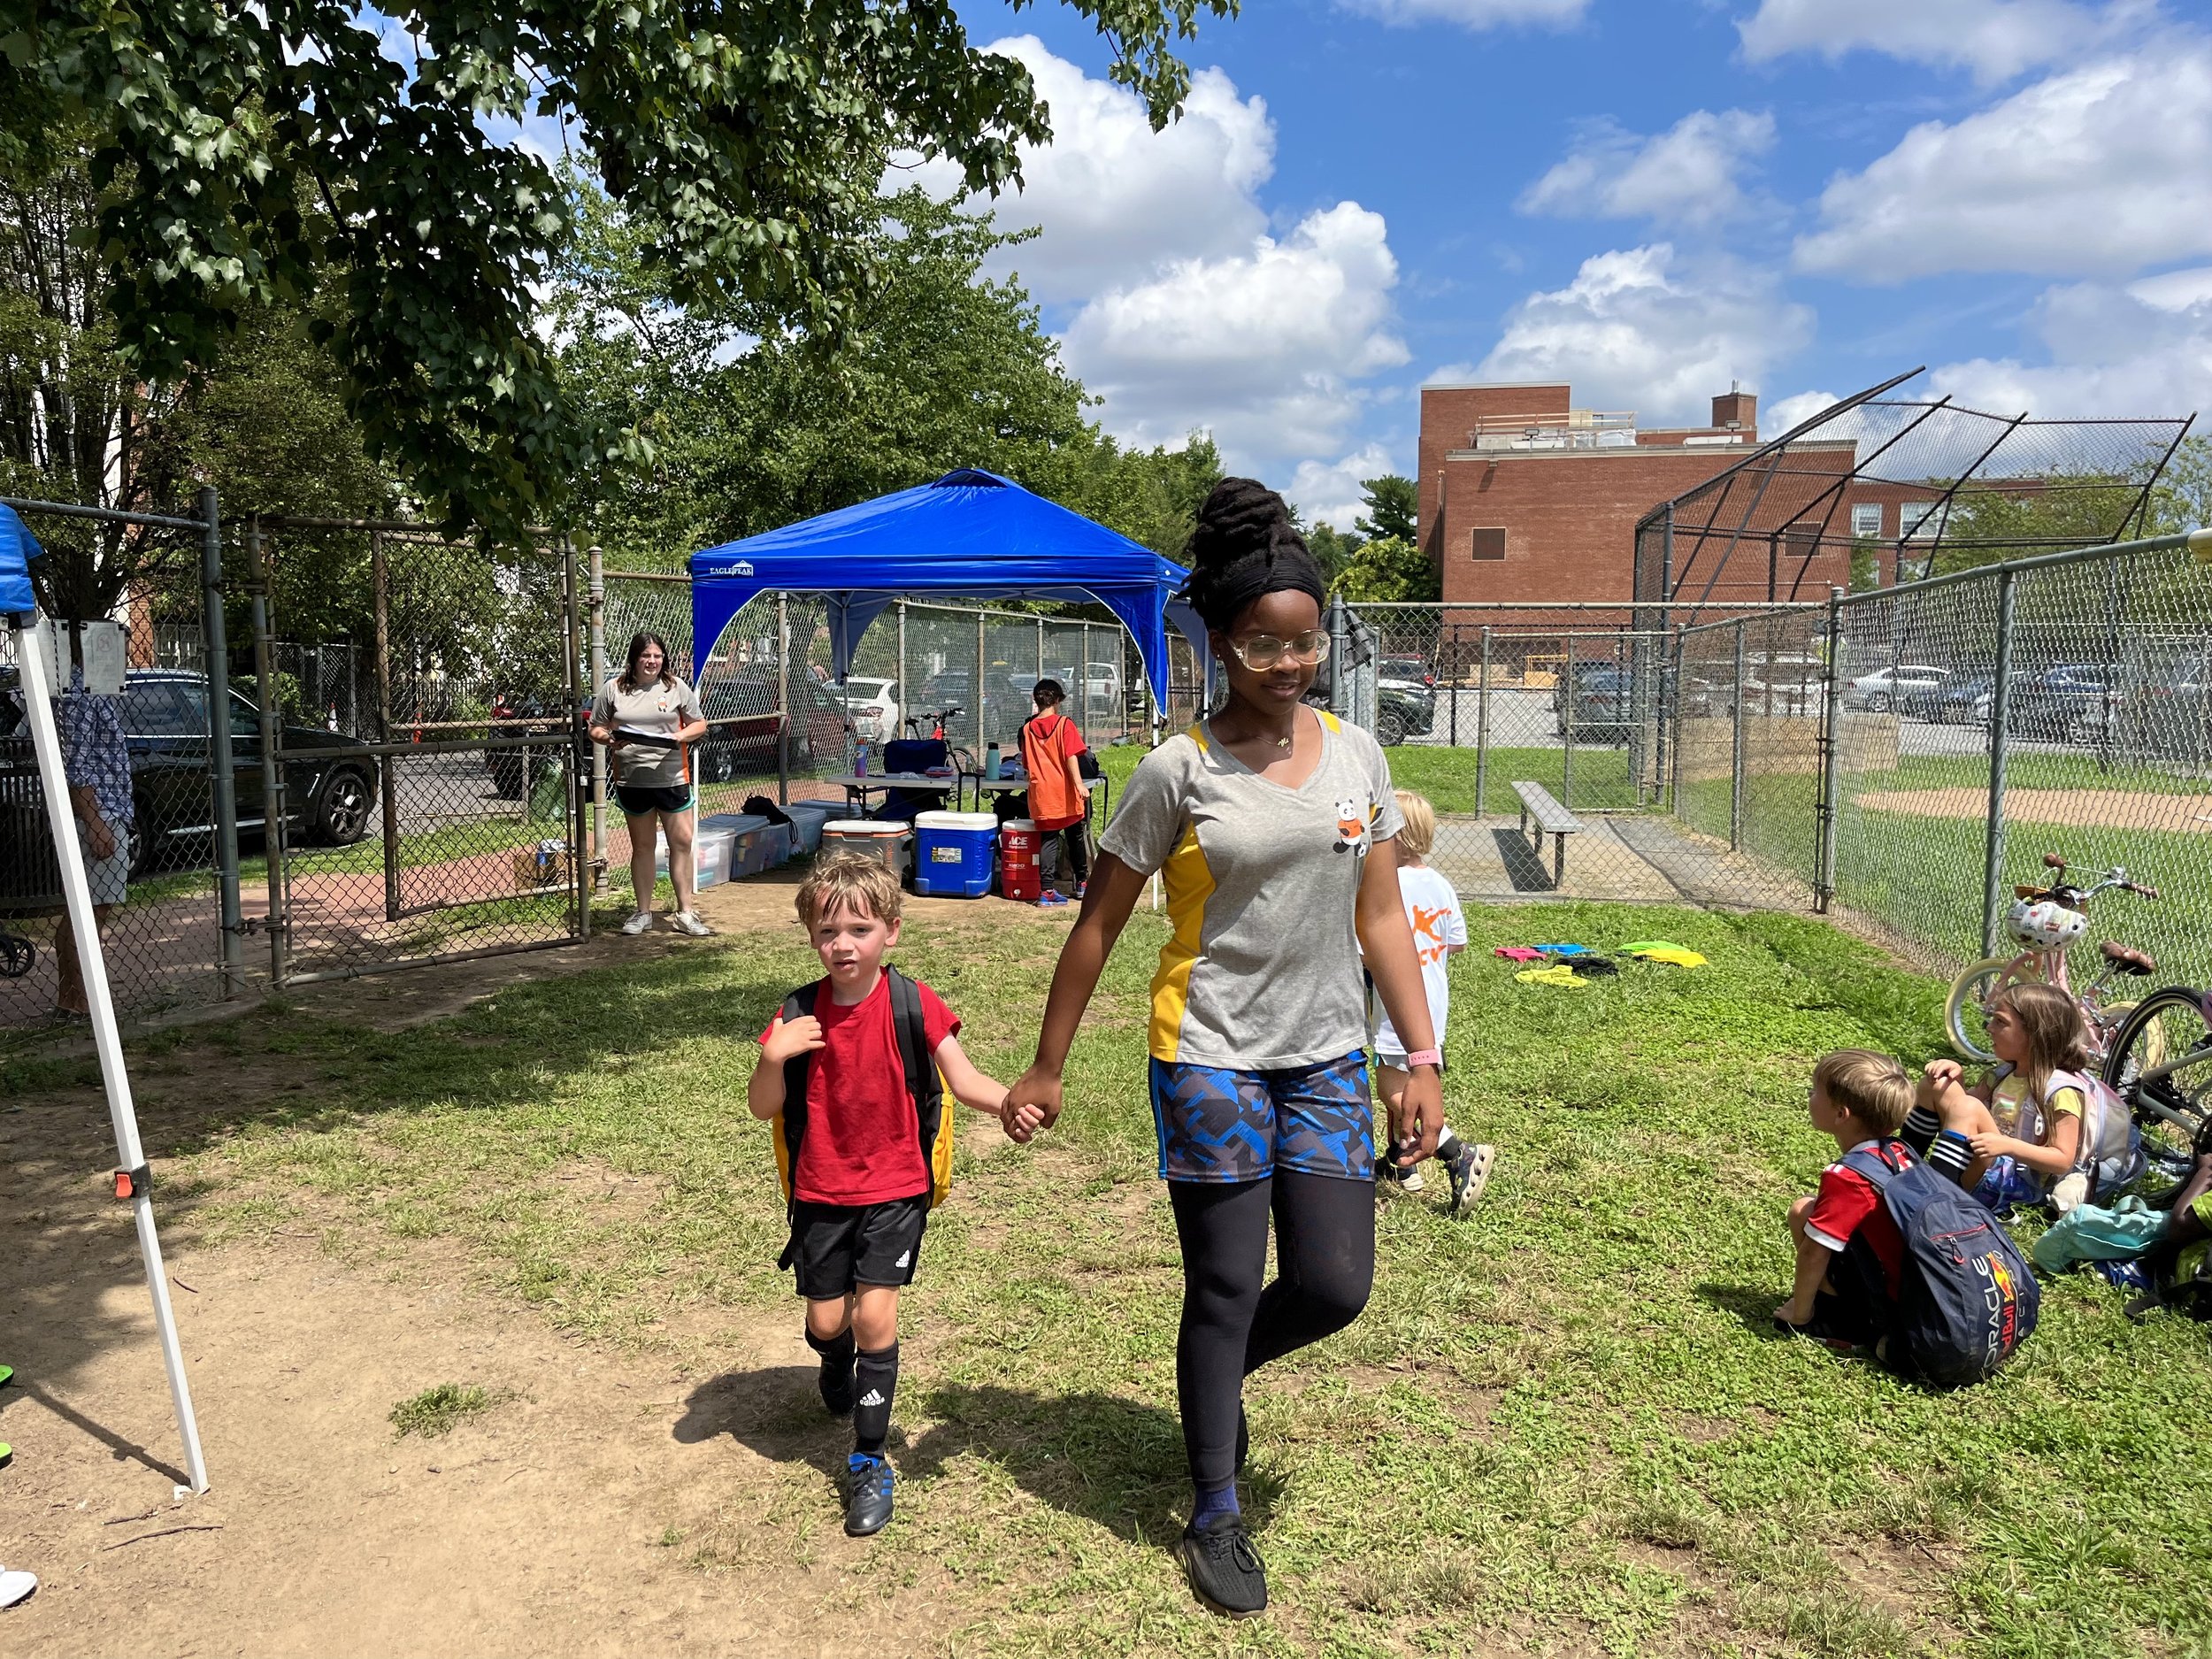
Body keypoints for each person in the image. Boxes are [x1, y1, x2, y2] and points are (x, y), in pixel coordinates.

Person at [1002, 478, 1444, 1619]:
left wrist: (1420, 1057)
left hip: (1329, 1055)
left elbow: (1382, 917)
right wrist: (1048, 1065)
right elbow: (1096, 925)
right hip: (1206, 1051)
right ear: (1220, 643)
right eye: (1262, 644)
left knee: (1337, 1285)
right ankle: (1212, 1505)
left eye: (1303, 644)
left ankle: (1218, 1379)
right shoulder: (1177, 771)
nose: (1286, 665)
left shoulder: (1359, 760)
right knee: (1226, 1281)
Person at [748, 852, 1019, 1537]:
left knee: (875, 1320)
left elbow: (963, 1078)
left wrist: (1011, 1103)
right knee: (827, 1322)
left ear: (891, 931)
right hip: (819, 1191)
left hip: (896, 1189)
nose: (844, 943)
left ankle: (869, 1460)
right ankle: (833, 1362)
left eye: (860, 928)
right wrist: (772, 1054)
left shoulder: (913, 1003)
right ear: (812, 934)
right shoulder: (796, 1012)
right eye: (829, 929)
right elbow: (762, 1107)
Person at [1369, 788, 1494, 1215]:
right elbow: (1455, 943)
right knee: (1408, 1079)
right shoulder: (1440, 884)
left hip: (1395, 1004)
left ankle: (1457, 1150)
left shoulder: (1386, 885)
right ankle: (1400, 1164)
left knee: (1391, 1087)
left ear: (1395, 836)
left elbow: (1367, 945)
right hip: (1433, 1003)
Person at [1774, 1049, 1917, 1346]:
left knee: (1804, 1214)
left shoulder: (1848, 1177)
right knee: (1808, 1211)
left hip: (1888, 1302)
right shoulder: (1899, 1152)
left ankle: (1835, 1319)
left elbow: (1815, 1252)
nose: (1810, 1097)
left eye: (1815, 1092)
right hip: (1913, 1288)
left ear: (1842, 1114)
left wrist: (1799, 1315)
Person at [1905, 982, 2088, 1212]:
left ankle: (1937, 1199)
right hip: (1983, 1160)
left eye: (2000, 1022)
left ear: (2035, 1034)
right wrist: (1956, 1081)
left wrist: (2007, 1145)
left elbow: (2063, 1159)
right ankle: (1901, 1167)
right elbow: (1959, 1112)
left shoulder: (2061, 1091)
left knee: (1968, 1105)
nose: (1989, 1028)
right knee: (1937, 1084)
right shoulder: (2001, 1075)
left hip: (2016, 1181)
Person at [588, 632, 711, 937]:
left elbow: (699, 723)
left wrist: (680, 736)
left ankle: (685, 912)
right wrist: (610, 740)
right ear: (634, 658)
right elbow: (596, 728)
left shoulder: (675, 687)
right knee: (643, 847)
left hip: (672, 778)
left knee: (681, 842)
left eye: (657, 656)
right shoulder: (613, 689)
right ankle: (643, 913)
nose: (652, 661)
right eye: (646, 656)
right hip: (633, 780)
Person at [53, 657, 132, 1023]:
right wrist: (96, 821)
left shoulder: (101, 691)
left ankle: (76, 999)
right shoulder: (85, 694)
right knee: (89, 912)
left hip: (108, 812)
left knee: (91, 910)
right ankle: (77, 1001)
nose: (127, 659)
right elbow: (77, 766)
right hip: (99, 814)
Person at [1017, 677, 1090, 902]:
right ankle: (1082, 883)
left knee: (1048, 839)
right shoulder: (1064, 724)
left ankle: (1046, 891)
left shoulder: (1027, 729)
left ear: (1035, 700)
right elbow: (1071, 756)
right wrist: (1079, 784)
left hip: (1041, 794)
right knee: (1075, 836)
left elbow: (1027, 763)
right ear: (1057, 700)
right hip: (1064, 792)